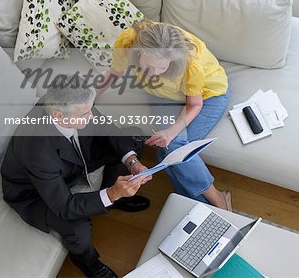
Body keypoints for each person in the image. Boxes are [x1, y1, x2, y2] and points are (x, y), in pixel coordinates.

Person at [0, 77, 152, 278]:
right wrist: (112, 193)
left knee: (132, 138)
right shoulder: (36, 150)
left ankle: (115, 200)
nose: (91, 117)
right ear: (58, 115)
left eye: (91, 109)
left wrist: (132, 162)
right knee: (77, 227)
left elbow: (108, 128)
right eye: (85, 114)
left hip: (73, 160)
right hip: (34, 192)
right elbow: (64, 207)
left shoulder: (72, 102)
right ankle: (85, 260)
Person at [97, 19, 231, 211]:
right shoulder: (128, 42)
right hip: (165, 96)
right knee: (168, 154)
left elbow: (194, 104)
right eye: (149, 66)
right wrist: (89, 98)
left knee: (172, 150)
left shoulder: (190, 63)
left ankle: (219, 202)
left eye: (162, 68)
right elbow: (114, 73)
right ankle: (201, 208)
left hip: (208, 95)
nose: (153, 73)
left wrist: (171, 131)